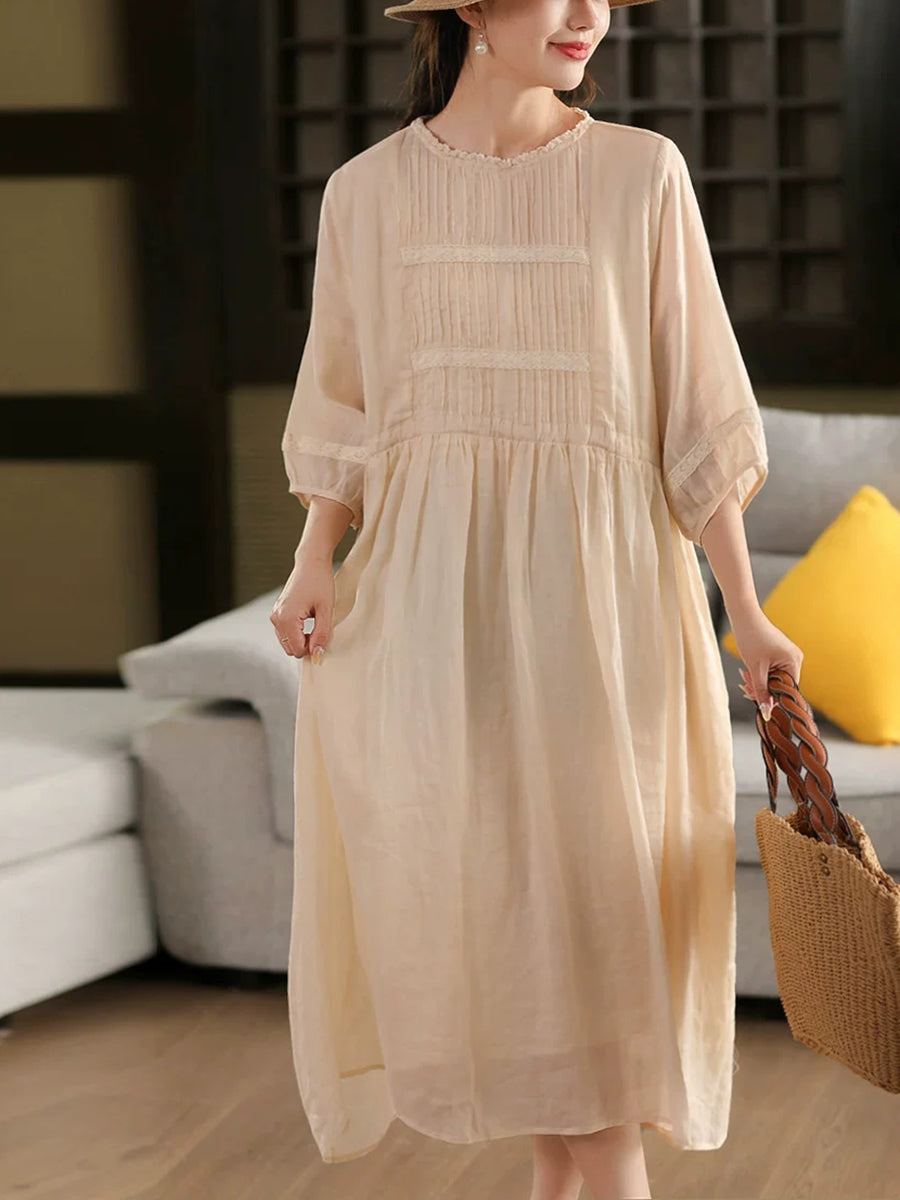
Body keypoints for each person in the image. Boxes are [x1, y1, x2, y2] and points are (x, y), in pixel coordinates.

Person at [269, 1, 803, 1197]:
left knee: (600, 1010)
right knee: (517, 991)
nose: (588, 18)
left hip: (608, 620)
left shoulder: (641, 175)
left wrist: (747, 610)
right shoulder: (366, 194)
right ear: (470, 8)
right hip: (433, 620)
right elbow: (344, 404)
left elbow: (697, 416)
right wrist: (315, 560)